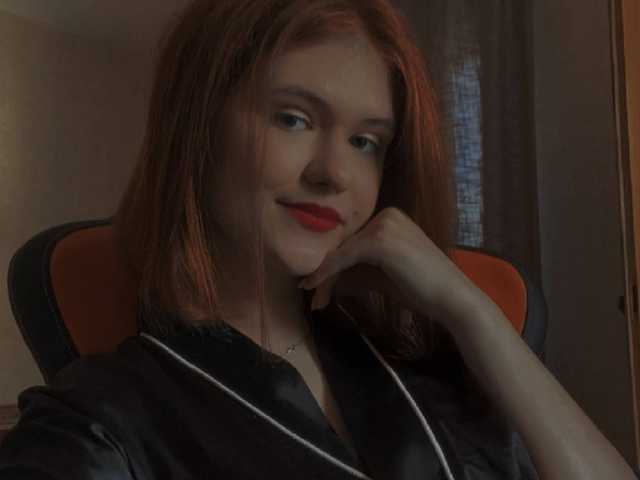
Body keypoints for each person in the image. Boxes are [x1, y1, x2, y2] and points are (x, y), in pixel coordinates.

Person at [0, 0, 637, 478]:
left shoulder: (420, 360)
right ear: (198, 129)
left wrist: (468, 308)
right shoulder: (100, 419)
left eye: (365, 141)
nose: (335, 173)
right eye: (293, 118)